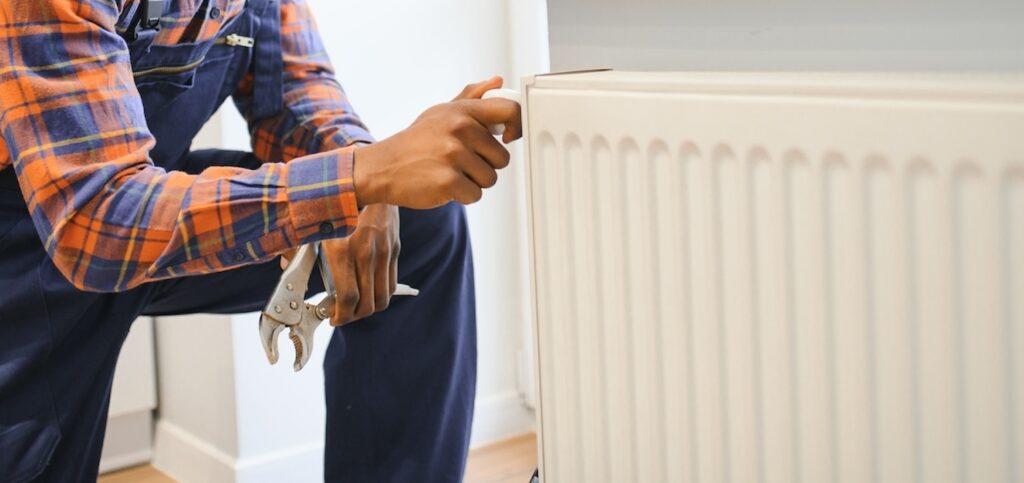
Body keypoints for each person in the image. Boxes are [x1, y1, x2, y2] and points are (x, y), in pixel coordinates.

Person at [0, 0, 521, 481]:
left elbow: (295, 97)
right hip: (32, 244)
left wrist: (360, 166)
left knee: (415, 228)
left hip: (143, 209)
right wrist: (357, 176)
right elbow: (97, 216)